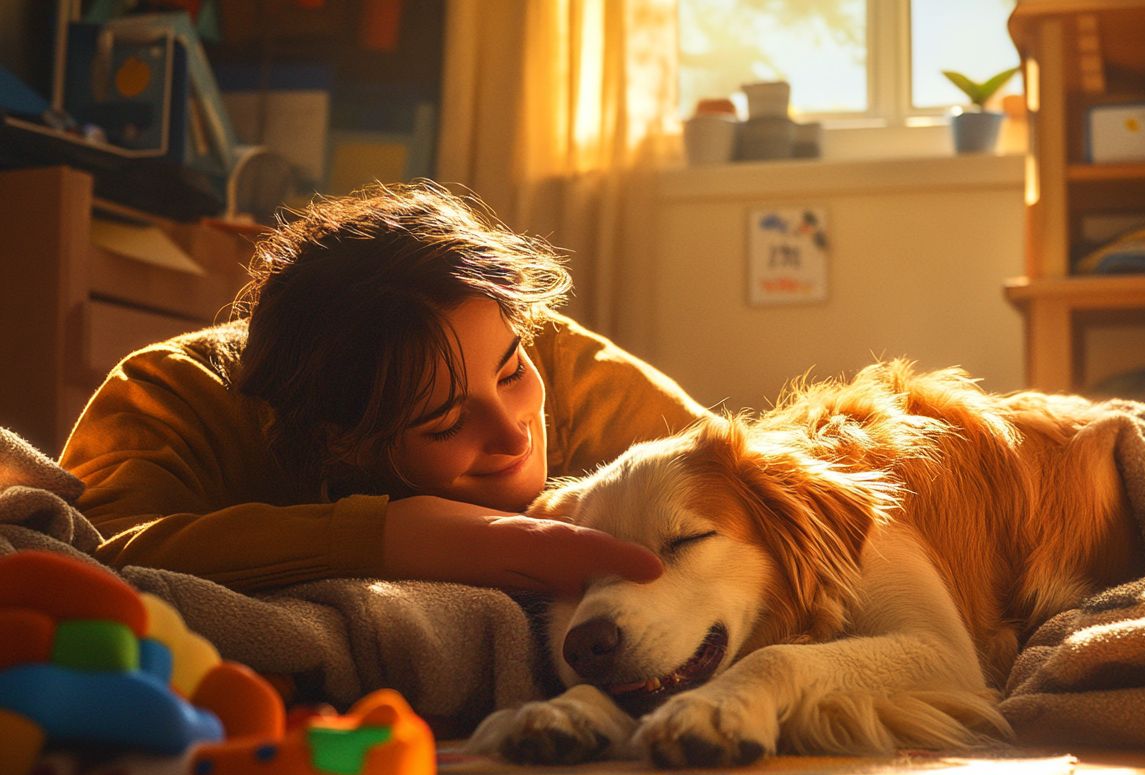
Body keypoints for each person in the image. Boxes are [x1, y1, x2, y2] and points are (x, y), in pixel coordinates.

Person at [59, 182, 710, 596]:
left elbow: (748, 471)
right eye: (445, 423)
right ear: (344, 445)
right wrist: (394, 535)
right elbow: (92, 557)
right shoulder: (169, 395)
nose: (513, 432)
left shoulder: (547, 351)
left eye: (511, 374)